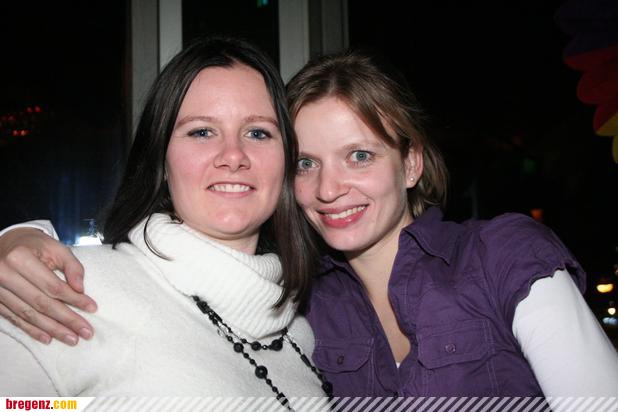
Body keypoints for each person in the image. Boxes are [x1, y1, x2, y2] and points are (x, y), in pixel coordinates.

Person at [1, 50, 617, 398]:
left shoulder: (296, 321)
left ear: (411, 163)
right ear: (161, 158)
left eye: (360, 155)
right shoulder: (72, 294)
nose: (329, 188)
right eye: (308, 162)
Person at [0, 36, 331, 405]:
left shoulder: (301, 334)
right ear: (161, 158)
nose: (233, 155)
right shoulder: (72, 292)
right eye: (201, 132)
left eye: (258, 133)